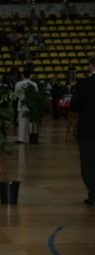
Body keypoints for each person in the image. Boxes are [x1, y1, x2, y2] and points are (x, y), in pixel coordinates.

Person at [70, 55, 95, 206]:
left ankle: (93, 194)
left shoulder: (84, 84)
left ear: (91, 65)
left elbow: (74, 107)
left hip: (88, 131)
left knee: (89, 163)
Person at [14, 70, 38, 144]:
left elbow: (16, 95)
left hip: (22, 105)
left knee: (21, 122)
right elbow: (36, 95)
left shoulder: (18, 84)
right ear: (30, 75)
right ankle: (32, 137)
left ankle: (21, 139)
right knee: (31, 122)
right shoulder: (34, 84)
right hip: (31, 105)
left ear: (22, 75)